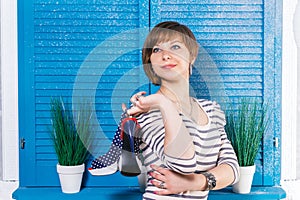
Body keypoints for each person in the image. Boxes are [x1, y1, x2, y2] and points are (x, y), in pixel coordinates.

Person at [124, 21, 240, 200]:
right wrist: (163, 102)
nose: (165, 56)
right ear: (150, 62)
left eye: (175, 47)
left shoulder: (212, 110)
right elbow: (182, 164)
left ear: (192, 56)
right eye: (156, 50)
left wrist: (193, 182)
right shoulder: (144, 112)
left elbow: (232, 169)